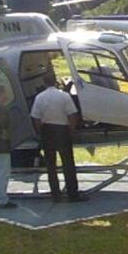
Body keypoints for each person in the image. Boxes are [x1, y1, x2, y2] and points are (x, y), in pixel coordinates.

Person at [30, 72, 84, 202]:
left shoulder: (39, 97)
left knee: (51, 165)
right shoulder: (64, 96)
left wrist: (40, 132)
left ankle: (56, 194)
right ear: (55, 82)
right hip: (62, 130)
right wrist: (71, 130)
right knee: (68, 164)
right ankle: (72, 194)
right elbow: (72, 115)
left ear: (44, 83)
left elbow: (36, 117)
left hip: (47, 130)